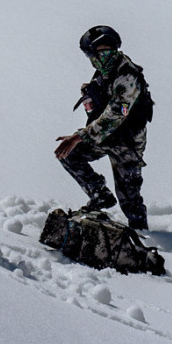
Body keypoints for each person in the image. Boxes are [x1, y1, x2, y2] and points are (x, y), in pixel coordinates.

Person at [55, 26, 153, 230]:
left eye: (106, 51)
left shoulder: (127, 76)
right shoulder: (103, 73)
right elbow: (102, 114)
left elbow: (116, 114)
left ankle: (143, 240)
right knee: (70, 155)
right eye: (96, 54)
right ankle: (100, 196)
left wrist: (79, 136)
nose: (101, 58)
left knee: (130, 199)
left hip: (127, 143)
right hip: (106, 137)